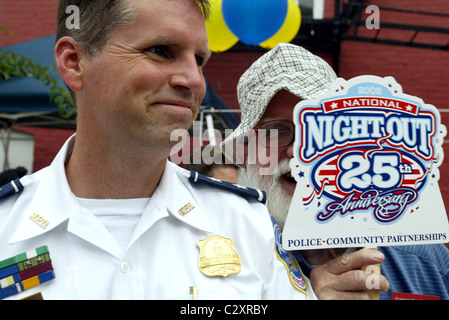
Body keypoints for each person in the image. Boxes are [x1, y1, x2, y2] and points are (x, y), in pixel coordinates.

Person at [0, 1, 316, 300]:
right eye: (161, 51)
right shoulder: (6, 225)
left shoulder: (248, 224)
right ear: (73, 62)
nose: (194, 80)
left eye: (200, 60)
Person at [222, 42, 449, 300]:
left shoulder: (428, 261)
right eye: (276, 131)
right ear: (246, 152)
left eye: (316, 129)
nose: (299, 153)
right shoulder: (224, 263)